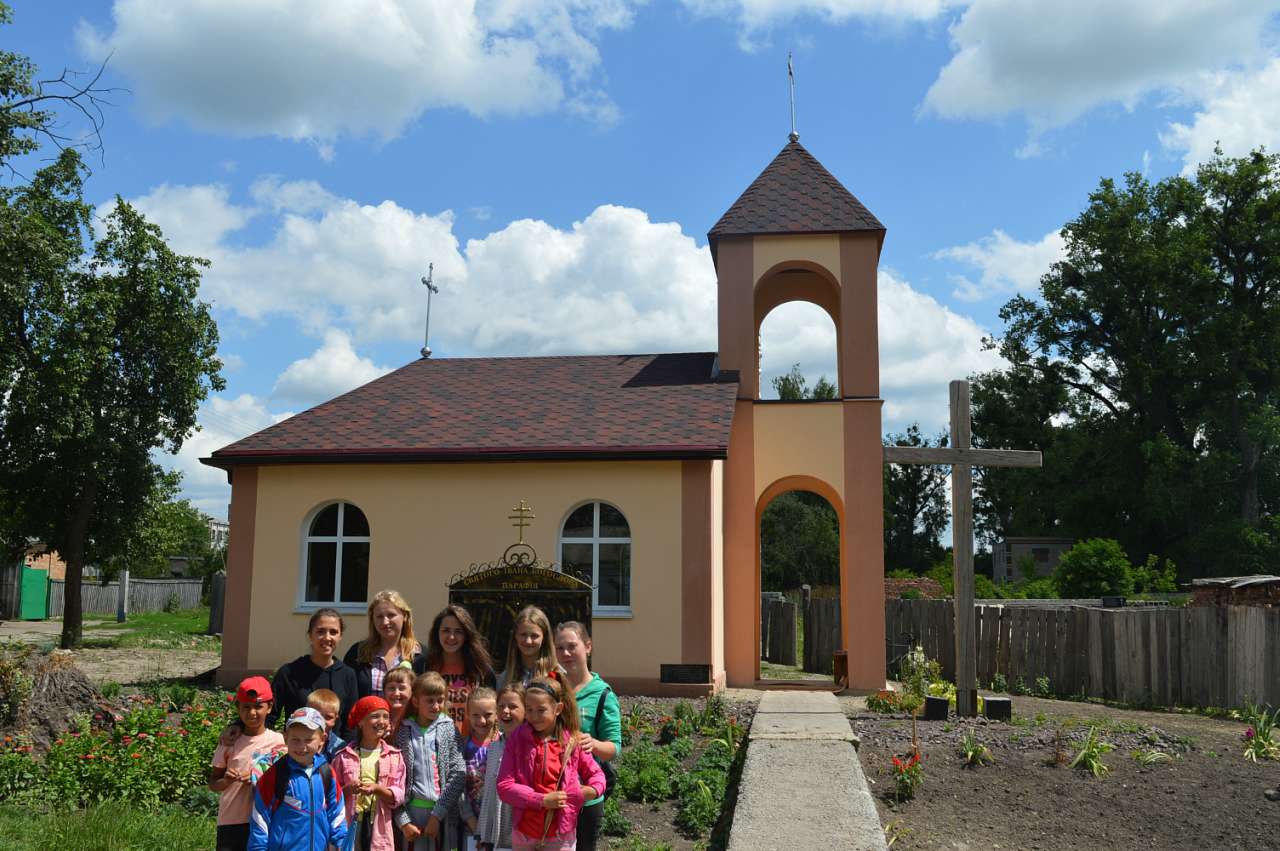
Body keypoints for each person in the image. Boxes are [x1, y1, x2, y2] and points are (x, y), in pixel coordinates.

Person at [496, 675, 604, 851]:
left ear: (558, 708)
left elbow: (597, 775)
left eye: (541, 710)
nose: (534, 716)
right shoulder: (517, 740)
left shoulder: (573, 741)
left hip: (561, 836)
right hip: (525, 834)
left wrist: (588, 791)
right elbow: (504, 786)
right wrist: (542, 800)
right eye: (529, 710)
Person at [554, 622, 620, 851]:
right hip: (551, 794)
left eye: (572, 646)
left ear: (588, 646)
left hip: (585, 797)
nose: (566, 653)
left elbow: (614, 747)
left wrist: (593, 744)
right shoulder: (551, 688)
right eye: (560, 648)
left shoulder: (602, 694)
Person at [249, 707, 347, 851]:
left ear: (322, 739)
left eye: (308, 740)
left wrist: (341, 844)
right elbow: (260, 819)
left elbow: (337, 813)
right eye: (295, 739)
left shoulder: (327, 773)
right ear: (285, 737)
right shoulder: (275, 775)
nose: (302, 746)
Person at [209, 676, 286, 851]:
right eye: (246, 707)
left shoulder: (279, 743)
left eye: (258, 706)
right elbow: (213, 783)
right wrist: (226, 781)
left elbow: (284, 781)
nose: (252, 713)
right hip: (231, 821)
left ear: (270, 707)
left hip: (266, 819)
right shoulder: (228, 742)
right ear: (238, 708)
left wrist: (258, 777)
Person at [395, 671, 466, 850]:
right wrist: (403, 821)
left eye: (440, 700)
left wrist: (437, 815)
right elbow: (394, 779)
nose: (436, 706)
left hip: (443, 814)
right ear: (416, 701)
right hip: (412, 814)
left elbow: (459, 773)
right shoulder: (403, 732)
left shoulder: (449, 729)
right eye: (430, 700)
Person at [268, 608, 360, 737]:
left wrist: (345, 753)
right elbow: (269, 715)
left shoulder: (347, 675)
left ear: (340, 637)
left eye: (333, 632)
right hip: (298, 752)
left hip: (336, 753)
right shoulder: (289, 673)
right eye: (320, 631)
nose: (327, 637)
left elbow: (351, 723)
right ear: (310, 635)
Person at [333, 696, 407, 851]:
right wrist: (348, 789)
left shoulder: (394, 756)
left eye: (385, 716)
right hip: (350, 822)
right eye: (374, 716)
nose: (381, 721)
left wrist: (378, 789)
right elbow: (332, 793)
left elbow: (400, 794)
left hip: (379, 824)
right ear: (360, 722)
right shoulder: (343, 756)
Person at [420, 605, 496, 739]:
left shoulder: (481, 669)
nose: (451, 637)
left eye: (458, 631)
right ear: (437, 632)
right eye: (446, 630)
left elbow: (492, 711)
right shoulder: (424, 665)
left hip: (471, 745)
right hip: (431, 743)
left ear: (466, 635)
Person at [346, 591, 426, 699]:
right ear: (373, 620)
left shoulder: (420, 655)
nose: (385, 622)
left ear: (405, 616)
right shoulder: (358, 653)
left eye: (391, 615)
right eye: (379, 617)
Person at [478, 685, 524, 851]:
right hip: (492, 832)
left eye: (512, 707)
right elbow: (490, 792)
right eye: (501, 706)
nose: (506, 711)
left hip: (518, 832)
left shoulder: (529, 747)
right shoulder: (494, 746)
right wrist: (482, 833)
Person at [459, 688, 500, 851]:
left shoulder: (505, 744)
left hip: (498, 825)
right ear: (467, 714)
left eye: (488, 715)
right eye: (476, 715)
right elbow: (459, 788)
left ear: (497, 714)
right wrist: (473, 823)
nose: (482, 721)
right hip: (470, 825)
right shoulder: (462, 746)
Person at [495, 606, 559, 691]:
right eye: (523, 635)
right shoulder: (504, 679)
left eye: (534, 636)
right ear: (515, 637)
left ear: (544, 638)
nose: (528, 641)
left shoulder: (556, 675)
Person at [307, 688, 348, 763]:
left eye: (328, 717)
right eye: (317, 716)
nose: (322, 721)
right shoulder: (297, 740)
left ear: (336, 718)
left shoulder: (339, 748)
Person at [383, 665, 415, 740]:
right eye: (391, 688)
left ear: (412, 691)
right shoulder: (379, 719)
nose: (396, 693)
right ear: (384, 691)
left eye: (402, 688)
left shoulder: (418, 719)